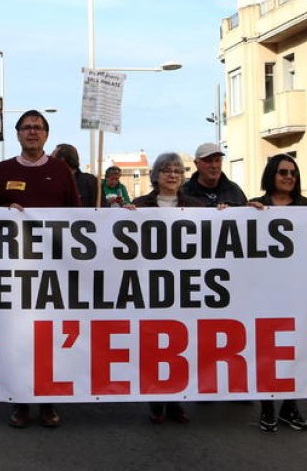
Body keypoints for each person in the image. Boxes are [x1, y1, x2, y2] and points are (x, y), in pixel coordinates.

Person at [0, 110, 79, 428]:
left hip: (53, 270)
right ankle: (20, 401)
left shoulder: (61, 170)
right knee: (19, 337)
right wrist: (5, 213)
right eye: (26, 127)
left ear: (46, 135)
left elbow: (77, 217)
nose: (32, 132)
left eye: (38, 128)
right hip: (14, 269)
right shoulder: (3, 170)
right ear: (18, 134)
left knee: (47, 337)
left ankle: (48, 401)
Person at [247, 154, 307, 433]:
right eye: (283, 172)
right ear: (271, 176)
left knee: (294, 349)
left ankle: (290, 406)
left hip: (298, 294)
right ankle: (267, 407)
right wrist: (241, 213)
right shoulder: (255, 205)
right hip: (264, 294)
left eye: (293, 172)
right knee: (266, 351)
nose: (289, 177)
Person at [127, 152, 203, 424]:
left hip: (183, 285)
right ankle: (156, 400)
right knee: (153, 344)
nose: (173, 175)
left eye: (178, 171)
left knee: (180, 344)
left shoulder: (196, 206)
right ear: (156, 175)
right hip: (150, 284)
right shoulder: (138, 205)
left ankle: (177, 400)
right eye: (167, 170)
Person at [181, 142, 247, 207]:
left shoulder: (234, 190)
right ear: (196, 163)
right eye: (209, 161)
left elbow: (246, 214)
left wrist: (254, 209)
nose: (214, 166)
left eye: (217, 160)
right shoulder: (183, 193)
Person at [52, 143, 97, 208]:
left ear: (62, 160)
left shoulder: (91, 181)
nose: (50, 161)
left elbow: (101, 209)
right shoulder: (52, 181)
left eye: (52, 158)